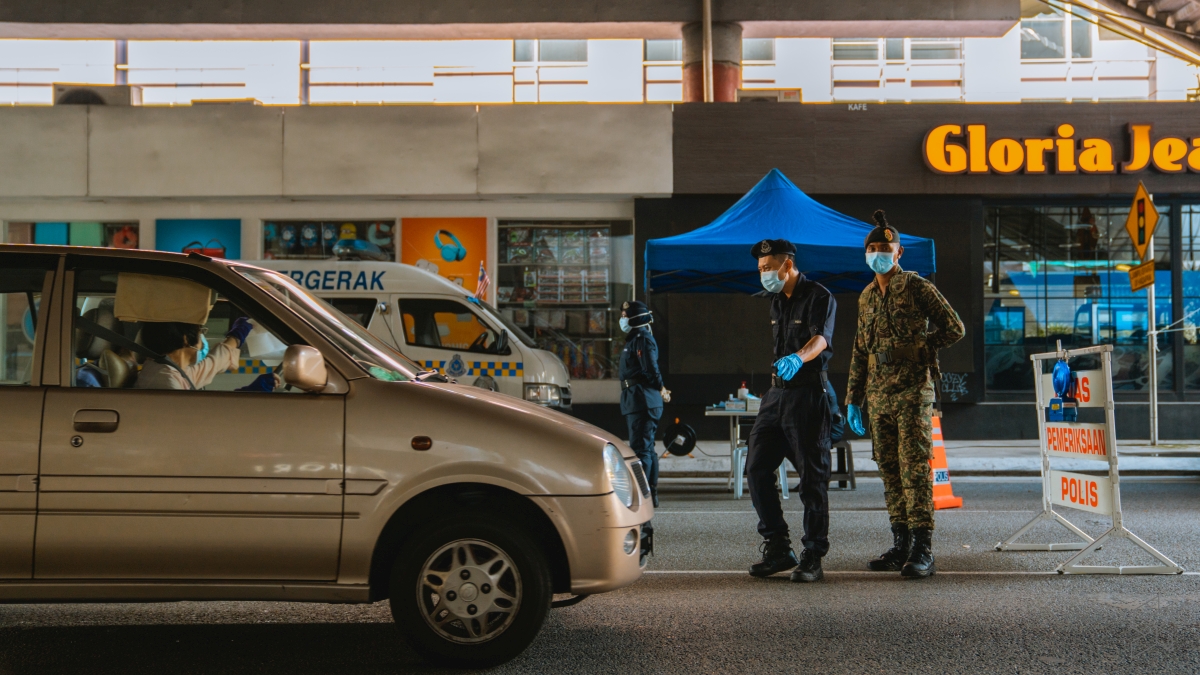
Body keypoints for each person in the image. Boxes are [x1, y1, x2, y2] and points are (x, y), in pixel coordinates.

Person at [845, 210, 964, 579]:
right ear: (866, 254)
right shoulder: (865, 297)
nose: (879, 252)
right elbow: (860, 350)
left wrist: (921, 346)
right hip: (878, 395)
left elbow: (954, 327)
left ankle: (922, 548)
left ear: (899, 253)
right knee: (890, 470)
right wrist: (853, 398)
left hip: (912, 392)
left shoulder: (916, 286)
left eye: (886, 247)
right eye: (874, 248)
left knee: (915, 471)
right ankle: (899, 544)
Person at [746, 239, 836, 583]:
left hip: (807, 393)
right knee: (756, 469)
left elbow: (821, 339)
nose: (764, 274)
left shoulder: (819, 296)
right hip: (776, 395)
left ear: (787, 265)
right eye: (760, 270)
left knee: (812, 479)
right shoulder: (775, 301)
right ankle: (778, 545)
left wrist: (798, 357)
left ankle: (813, 554)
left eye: (768, 268)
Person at [136, 316, 278, 391]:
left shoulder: (172, 369)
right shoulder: (165, 382)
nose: (202, 339)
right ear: (186, 339)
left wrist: (237, 336)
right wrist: (248, 396)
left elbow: (214, 363)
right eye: (201, 332)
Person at [618, 300, 668, 508]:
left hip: (643, 400)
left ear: (635, 317)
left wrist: (661, 388)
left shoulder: (643, 339)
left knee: (641, 450)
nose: (622, 319)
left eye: (625, 315)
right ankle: (650, 494)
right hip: (639, 399)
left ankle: (642, 496)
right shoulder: (635, 339)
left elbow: (650, 368)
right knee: (647, 449)